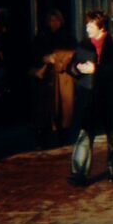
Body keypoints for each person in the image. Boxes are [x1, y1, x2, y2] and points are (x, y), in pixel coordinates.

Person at [67, 10, 113, 183]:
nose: (86, 27)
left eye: (90, 24)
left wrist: (96, 69)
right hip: (89, 95)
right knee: (85, 133)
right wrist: (77, 69)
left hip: (109, 95)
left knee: (112, 134)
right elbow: (70, 66)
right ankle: (79, 173)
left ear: (100, 26)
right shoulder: (83, 44)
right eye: (86, 24)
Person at [29, 9, 76, 148]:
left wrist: (60, 60)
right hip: (45, 80)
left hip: (62, 79)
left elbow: (72, 53)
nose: (53, 23)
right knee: (45, 110)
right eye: (51, 20)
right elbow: (33, 54)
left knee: (62, 109)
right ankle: (45, 139)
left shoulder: (67, 37)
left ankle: (63, 137)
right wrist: (44, 59)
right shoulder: (42, 37)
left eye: (56, 20)